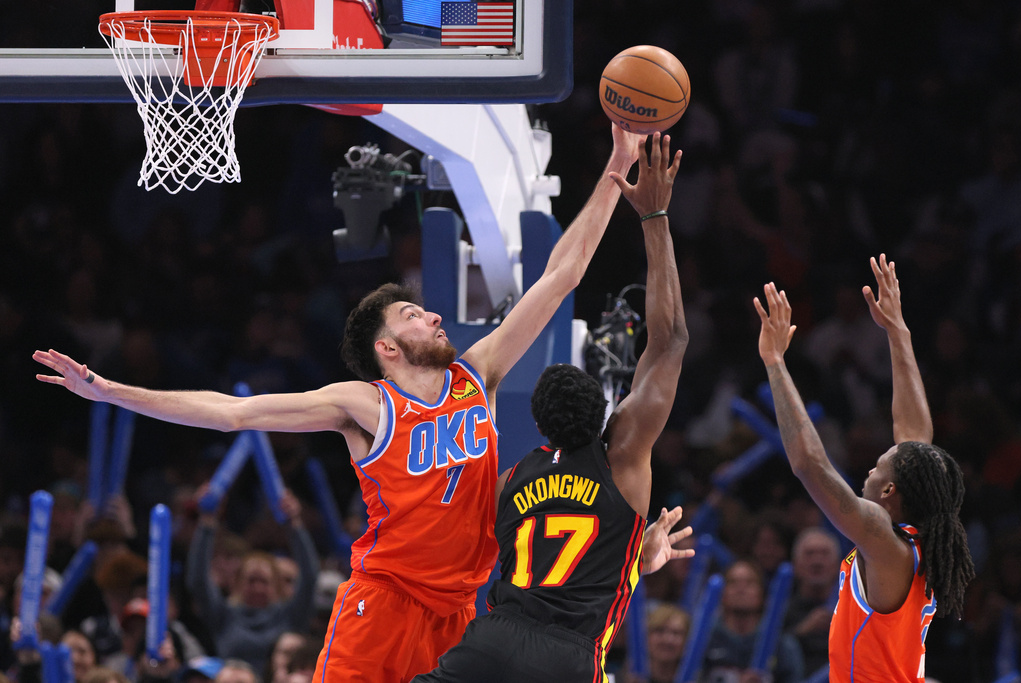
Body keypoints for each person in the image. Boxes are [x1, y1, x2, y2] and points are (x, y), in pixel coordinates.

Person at [33, 122, 647, 683]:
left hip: (462, 609)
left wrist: (616, 166)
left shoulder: (476, 375)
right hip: (385, 599)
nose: (435, 315)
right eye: (414, 314)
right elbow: (232, 412)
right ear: (387, 347)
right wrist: (108, 391)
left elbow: (560, 275)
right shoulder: (364, 404)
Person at [413, 131, 693, 682]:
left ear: (540, 424)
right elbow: (669, 342)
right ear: (607, 412)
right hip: (569, 656)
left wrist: (637, 555)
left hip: (491, 640)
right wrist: (655, 216)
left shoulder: (511, 479)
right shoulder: (624, 460)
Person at [753, 254, 976, 681]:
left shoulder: (884, 539)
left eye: (877, 467)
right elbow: (914, 437)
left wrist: (776, 364)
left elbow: (810, 466)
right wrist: (898, 331)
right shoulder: (918, 543)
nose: (867, 475)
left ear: (890, 492)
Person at [187, 488, 316, 674]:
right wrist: (207, 522)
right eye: (251, 581)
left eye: (264, 582)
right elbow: (198, 581)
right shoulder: (224, 616)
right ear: (238, 584)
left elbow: (310, 578)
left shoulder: (291, 616)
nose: (257, 588)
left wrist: (294, 525)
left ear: (276, 586)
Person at [698, 559, 804, 683]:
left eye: (749, 583)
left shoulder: (783, 645)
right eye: (733, 582)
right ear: (722, 593)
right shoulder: (704, 639)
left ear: (762, 593)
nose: (741, 589)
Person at [782, 527, 841, 674]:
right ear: (796, 564)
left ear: (837, 565)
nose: (817, 561)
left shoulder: (855, 609)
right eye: (809, 554)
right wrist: (802, 631)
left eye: (824, 554)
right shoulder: (780, 610)